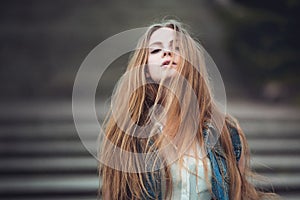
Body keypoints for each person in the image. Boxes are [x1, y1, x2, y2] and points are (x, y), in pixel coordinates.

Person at [98, 19, 278, 200]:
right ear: (145, 69)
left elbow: (239, 193)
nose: (166, 52)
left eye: (176, 47)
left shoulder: (225, 130)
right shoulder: (126, 135)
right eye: (155, 50)